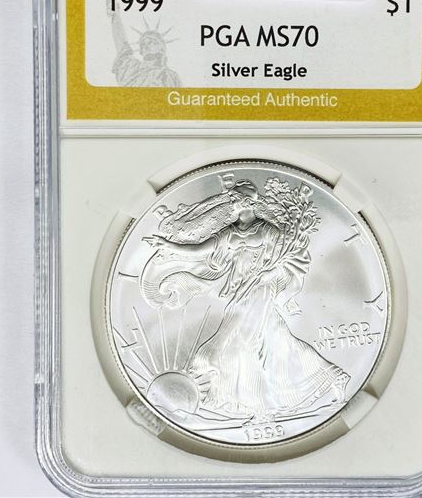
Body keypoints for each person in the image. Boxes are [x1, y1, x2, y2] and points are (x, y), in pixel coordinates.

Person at [145, 180, 350, 422]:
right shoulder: (229, 232)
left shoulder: (269, 231)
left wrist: (266, 275)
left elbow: (284, 262)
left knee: (239, 341)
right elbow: (200, 250)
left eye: (235, 198)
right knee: (277, 341)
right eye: (232, 198)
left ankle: (257, 405)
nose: (231, 202)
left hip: (260, 291)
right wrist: (169, 245)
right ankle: (330, 377)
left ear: (247, 202)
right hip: (239, 292)